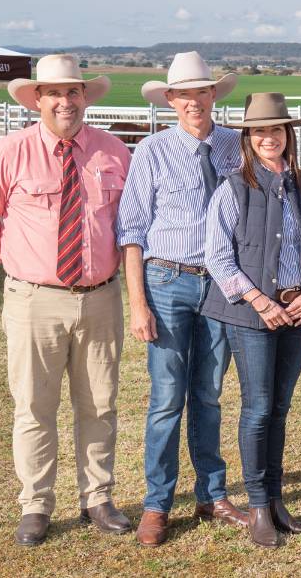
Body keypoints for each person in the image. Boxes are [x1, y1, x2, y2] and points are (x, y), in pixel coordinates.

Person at [0, 54, 133, 546]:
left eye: (73, 92)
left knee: (99, 402)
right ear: (37, 99)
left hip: (100, 296)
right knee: (34, 405)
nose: (65, 101)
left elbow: (129, 224)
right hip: (34, 298)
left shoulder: (114, 151)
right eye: (54, 93)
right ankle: (36, 503)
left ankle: (97, 497)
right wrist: (17, 262)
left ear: (84, 97)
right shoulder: (6, 153)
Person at [116, 51, 246, 546]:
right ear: (170, 99)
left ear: (214, 95)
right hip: (167, 280)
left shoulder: (237, 146)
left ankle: (212, 494)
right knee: (167, 397)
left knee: (209, 393)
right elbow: (132, 231)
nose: (194, 101)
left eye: (202, 91)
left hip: (220, 282)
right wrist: (138, 303)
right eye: (184, 93)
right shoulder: (151, 151)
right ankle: (157, 504)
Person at [202, 93, 301, 547]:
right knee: (257, 408)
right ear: (248, 138)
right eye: (260, 131)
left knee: (280, 408)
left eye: (276, 130)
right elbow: (218, 258)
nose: (269, 138)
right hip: (254, 315)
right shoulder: (234, 187)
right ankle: (259, 504)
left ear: (288, 134)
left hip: (298, 311)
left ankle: (277, 501)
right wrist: (260, 301)